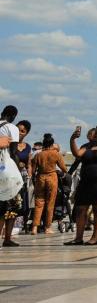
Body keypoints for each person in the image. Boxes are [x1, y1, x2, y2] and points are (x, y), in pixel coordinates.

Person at [65, 124, 97, 245]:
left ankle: (94, 238)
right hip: (86, 181)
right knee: (80, 208)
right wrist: (72, 139)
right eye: (96, 133)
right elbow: (77, 154)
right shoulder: (87, 146)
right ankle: (78, 237)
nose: (96, 135)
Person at [31, 134, 66, 234]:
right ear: (52, 144)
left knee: (38, 203)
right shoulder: (56, 154)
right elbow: (64, 168)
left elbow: (33, 171)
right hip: (52, 177)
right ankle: (47, 227)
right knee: (50, 203)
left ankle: (34, 227)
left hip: (41, 177)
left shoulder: (38, 155)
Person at [0, 106, 22, 247]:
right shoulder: (11, 128)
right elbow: (13, 152)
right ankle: (7, 238)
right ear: (12, 115)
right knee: (13, 204)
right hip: (6, 171)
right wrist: (18, 170)